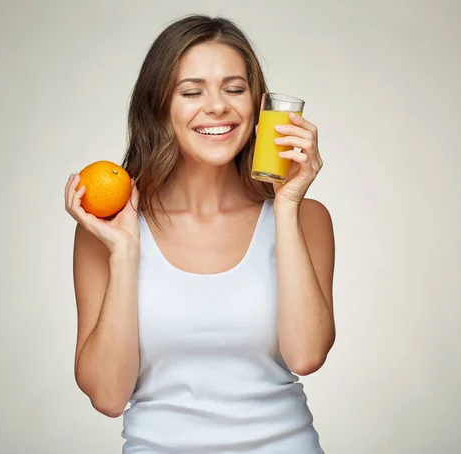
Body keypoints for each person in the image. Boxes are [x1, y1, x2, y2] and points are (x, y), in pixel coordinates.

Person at [64, 14, 335, 454]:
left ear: (258, 106)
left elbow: (307, 355)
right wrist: (125, 252)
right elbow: (107, 397)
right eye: (192, 92)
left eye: (235, 89)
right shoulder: (108, 230)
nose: (217, 107)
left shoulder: (307, 218)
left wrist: (285, 205)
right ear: (159, 107)